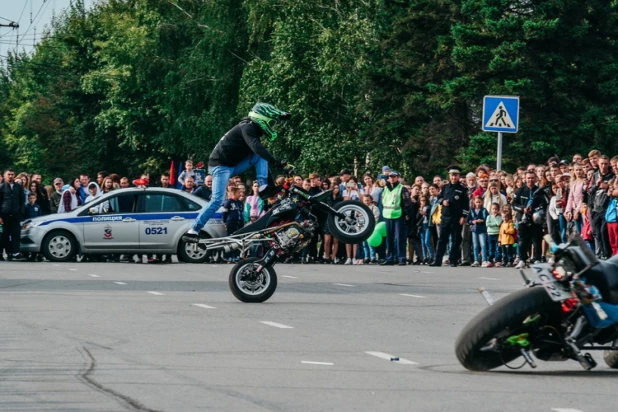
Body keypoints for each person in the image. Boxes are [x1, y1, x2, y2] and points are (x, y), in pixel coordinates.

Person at [184, 102, 290, 241]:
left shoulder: (251, 129)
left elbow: (259, 152)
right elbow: (255, 146)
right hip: (219, 166)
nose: (272, 126)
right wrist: (277, 162)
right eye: (271, 122)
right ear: (262, 118)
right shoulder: (247, 127)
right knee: (217, 200)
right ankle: (193, 230)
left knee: (259, 155)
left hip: (232, 165)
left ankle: (264, 187)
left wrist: (272, 184)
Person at [430, 166, 469, 267]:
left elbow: (466, 205)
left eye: (456, 175)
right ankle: (437, 260)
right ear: (449, 176)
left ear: (459, 176)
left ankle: (453, 260)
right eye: (452, 175)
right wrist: (443, 201)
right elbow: (438, 198)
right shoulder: (445, 187)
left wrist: (463, 216)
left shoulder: (463, 189)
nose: (454, 177)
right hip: (445, 217)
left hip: (456, 218)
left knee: (456, 239)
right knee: (442, 239)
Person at [512, 171, 548, 269]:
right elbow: (514, 205)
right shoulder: (519, 191)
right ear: (525, 179)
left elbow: (545, 205)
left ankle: (537, 259)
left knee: (537, 240)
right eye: (528, 178)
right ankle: (522, 260)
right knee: (522, 241)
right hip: (522, 219)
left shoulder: (540, 191)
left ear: (536, 179)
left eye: (532, 178)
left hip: (536, 220)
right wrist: (523, 209)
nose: (530, 180)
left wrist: (536, 210)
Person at [380, 171, 413, 266]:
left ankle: (401, 258)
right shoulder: (385, 188)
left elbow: (407, 203)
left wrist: (406, 214)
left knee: (400, 238)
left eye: (394, 177)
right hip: (387, 215)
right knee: (389, 239)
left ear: (398, 177)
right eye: (390, 177)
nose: (392, 178)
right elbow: (383, 201)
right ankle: (390, 258)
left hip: (399, 215)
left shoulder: (402, 188)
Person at [0, 168, 26, 261]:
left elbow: (22, 200)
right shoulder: (2, 187)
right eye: (9, 174)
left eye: (12, 174)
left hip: (16, 214)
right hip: (5, 215)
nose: (11, 176)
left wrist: (21, 212)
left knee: (16, 234)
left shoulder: (18, 187)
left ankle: (16, 252)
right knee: (5, 235)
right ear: (4, 176)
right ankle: (8, 252)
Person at [223, 187, 244, 262]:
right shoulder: (228, 202)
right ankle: (228, 256)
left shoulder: (240, 203)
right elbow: (225, 213)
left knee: (238, 240)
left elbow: (241, 212)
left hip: (239, 223)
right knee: (230, 239)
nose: (240, 195)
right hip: (231, 223)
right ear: (234, 194)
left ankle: (236, 255)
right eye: (238, 193)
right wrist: (225, 222)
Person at [468, 196, 489, 267]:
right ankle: (476, 260)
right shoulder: (472, 210)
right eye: (477, 202)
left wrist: (482, 220)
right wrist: (472, 221)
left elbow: (487, 218)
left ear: (482, 202)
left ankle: (484, 260)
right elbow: (469, 220)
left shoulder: (484, 210)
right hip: (474, 229)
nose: (478, 204)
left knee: (483, 244)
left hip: (482, 229)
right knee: (475, 245)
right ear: (474, 202)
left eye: (479, 202)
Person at [486, 203, 503, 267]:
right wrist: (494, 224)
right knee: (491, 248)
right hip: (490, 234)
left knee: (498, 248)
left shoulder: (499, 217)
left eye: (496, 209)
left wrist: (495, 218)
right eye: (493, 209)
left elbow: (498, 223)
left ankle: (498, 260)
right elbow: (487, 224)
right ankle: (490, 261)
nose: (494, 210)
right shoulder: (489, 217)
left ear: (498, 210)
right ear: (491, 210)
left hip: (497, 234)